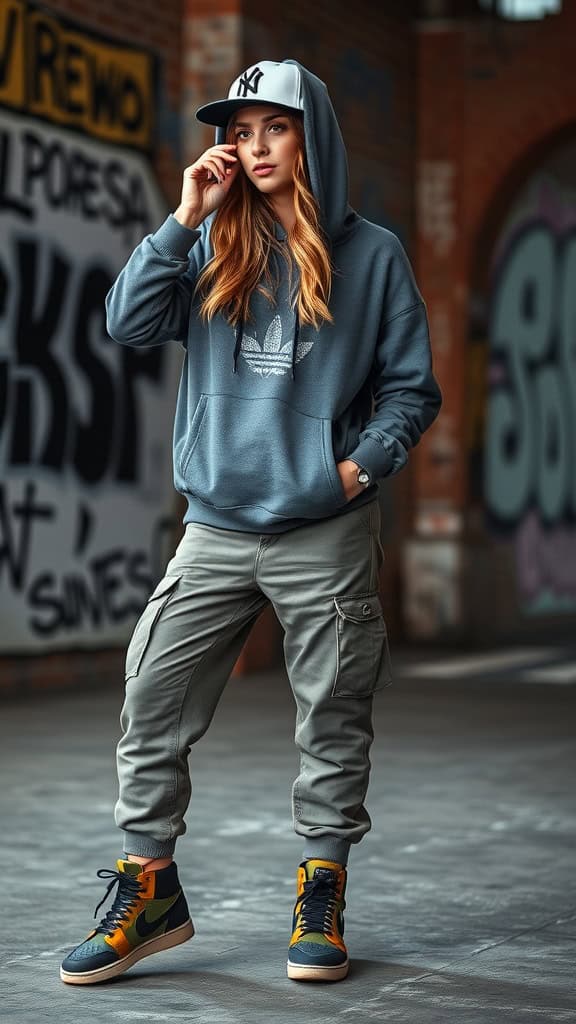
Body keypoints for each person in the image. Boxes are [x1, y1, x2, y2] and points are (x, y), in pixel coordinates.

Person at [60, 58, 441, 986]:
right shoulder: (211, 239)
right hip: (217, 524)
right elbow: (127, 322)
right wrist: (184, 214)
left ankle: (322, 888)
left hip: (324, 527)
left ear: (313, 136)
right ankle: (149, 891)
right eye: (238, 130)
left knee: (333, 713)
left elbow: (411, 391)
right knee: (152, 692)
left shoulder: (374, 254)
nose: (251, 145)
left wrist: (354, 470)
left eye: (273, 126)